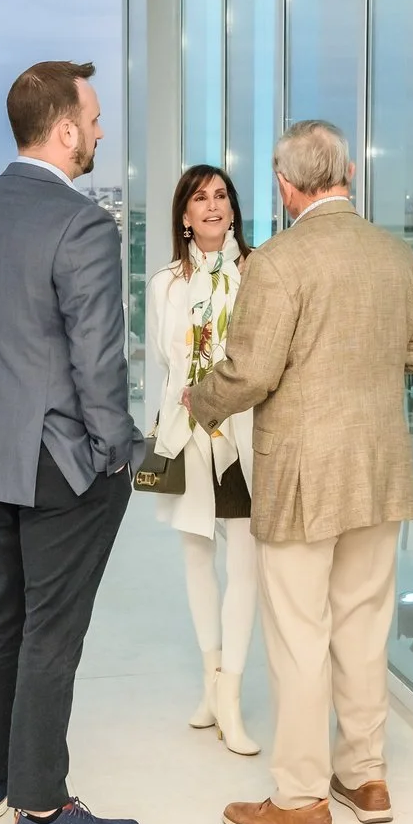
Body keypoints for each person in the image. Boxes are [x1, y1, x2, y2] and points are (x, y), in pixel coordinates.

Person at [185, 119, 413, 824]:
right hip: (379, 465)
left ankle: (299, 798)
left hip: (301, 473)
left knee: (298, 634)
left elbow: (253, 372)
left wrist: (199, 399)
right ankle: (366, 774)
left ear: (286, 185)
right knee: (363, 623)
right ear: (348, 170)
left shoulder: (280, 262)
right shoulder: (395, 253)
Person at [0, 59, 144, 824]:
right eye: (92, 118)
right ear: (62, 129)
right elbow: (100, 365)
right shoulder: (83, 225)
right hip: (63, 458)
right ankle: (44, 813)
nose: (98, 130)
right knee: (50, 632)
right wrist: (115, 455)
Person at [146, 163, 260, 755]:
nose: (212, 205)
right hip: (188, 431)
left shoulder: (258, 272)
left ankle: (233, 699)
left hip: (243, 434)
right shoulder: (166, 282)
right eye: (199, 197)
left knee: (245, 563)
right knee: (197, 557)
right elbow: (168, 363)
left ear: (233, 209)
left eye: (220, 195)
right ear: (184, 216)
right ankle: (210, 682)